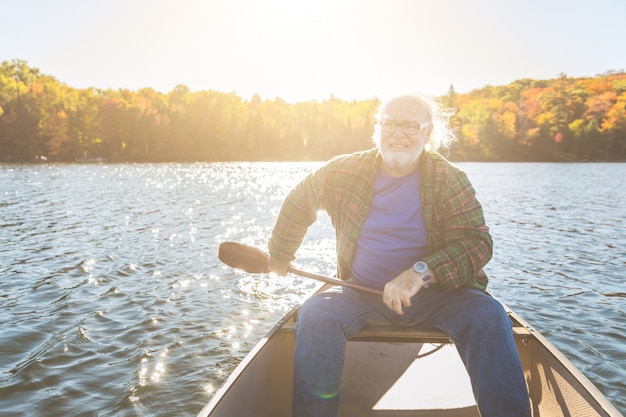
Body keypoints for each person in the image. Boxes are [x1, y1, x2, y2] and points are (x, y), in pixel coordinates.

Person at [267, 93, 531, 417]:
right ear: (377, 128)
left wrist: (417, 274)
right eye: (389, 123)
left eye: (410, 125)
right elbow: (300, 200)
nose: (398, 133)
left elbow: (476, 243)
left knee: (488, 314)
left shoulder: (449, 178)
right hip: (361, 291)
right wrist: (280, 253)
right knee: (316, 313)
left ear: (427, 132)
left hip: (439, 294)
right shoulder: (345, 171)